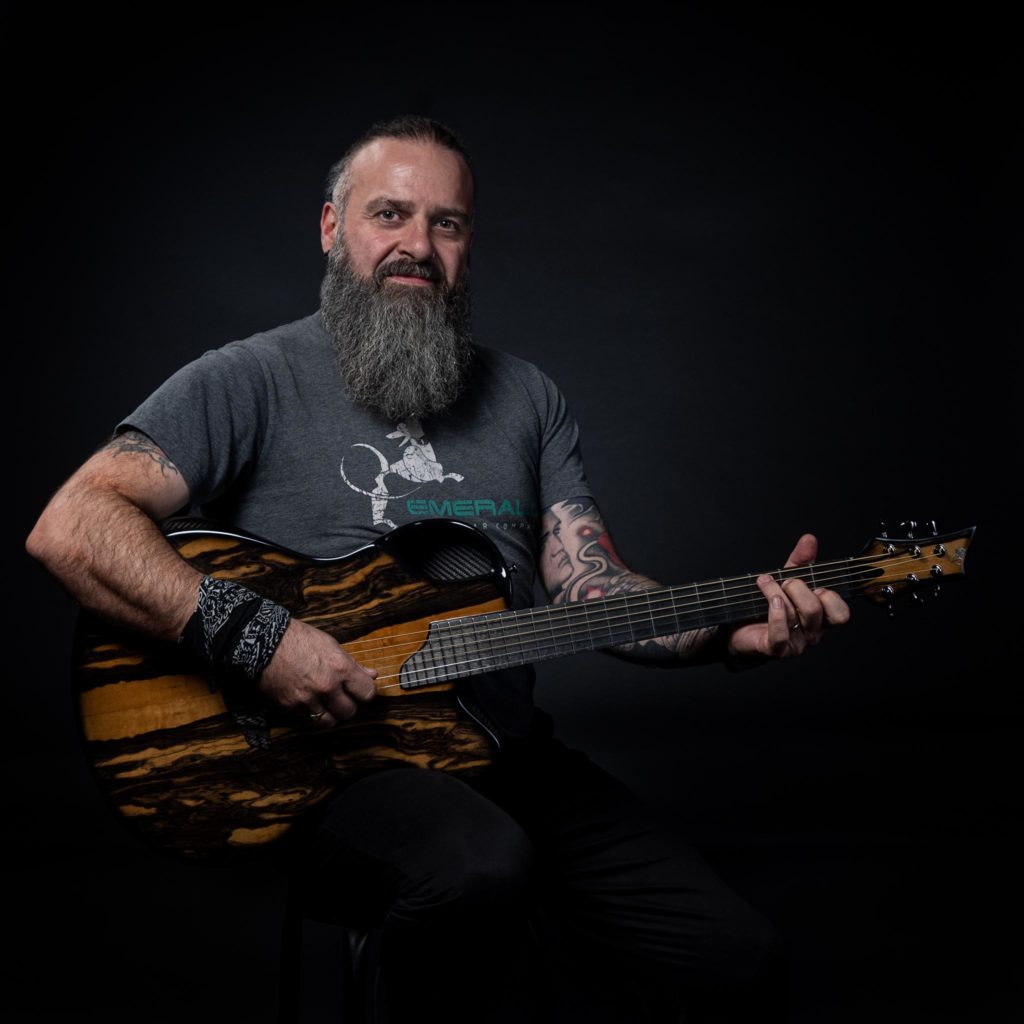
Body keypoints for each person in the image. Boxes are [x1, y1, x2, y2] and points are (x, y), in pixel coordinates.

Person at [27, 115, 849, 1022]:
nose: (417, 246)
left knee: (732, 958)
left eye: (446, 224)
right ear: (334, 228)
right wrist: (261, 639)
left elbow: (590, 589)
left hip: (498, 748)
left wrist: (734, 625)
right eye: (391, 215)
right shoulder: (247, 379)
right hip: (327, 766)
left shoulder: (527, 397)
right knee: (477, 870)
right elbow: (73, 523)